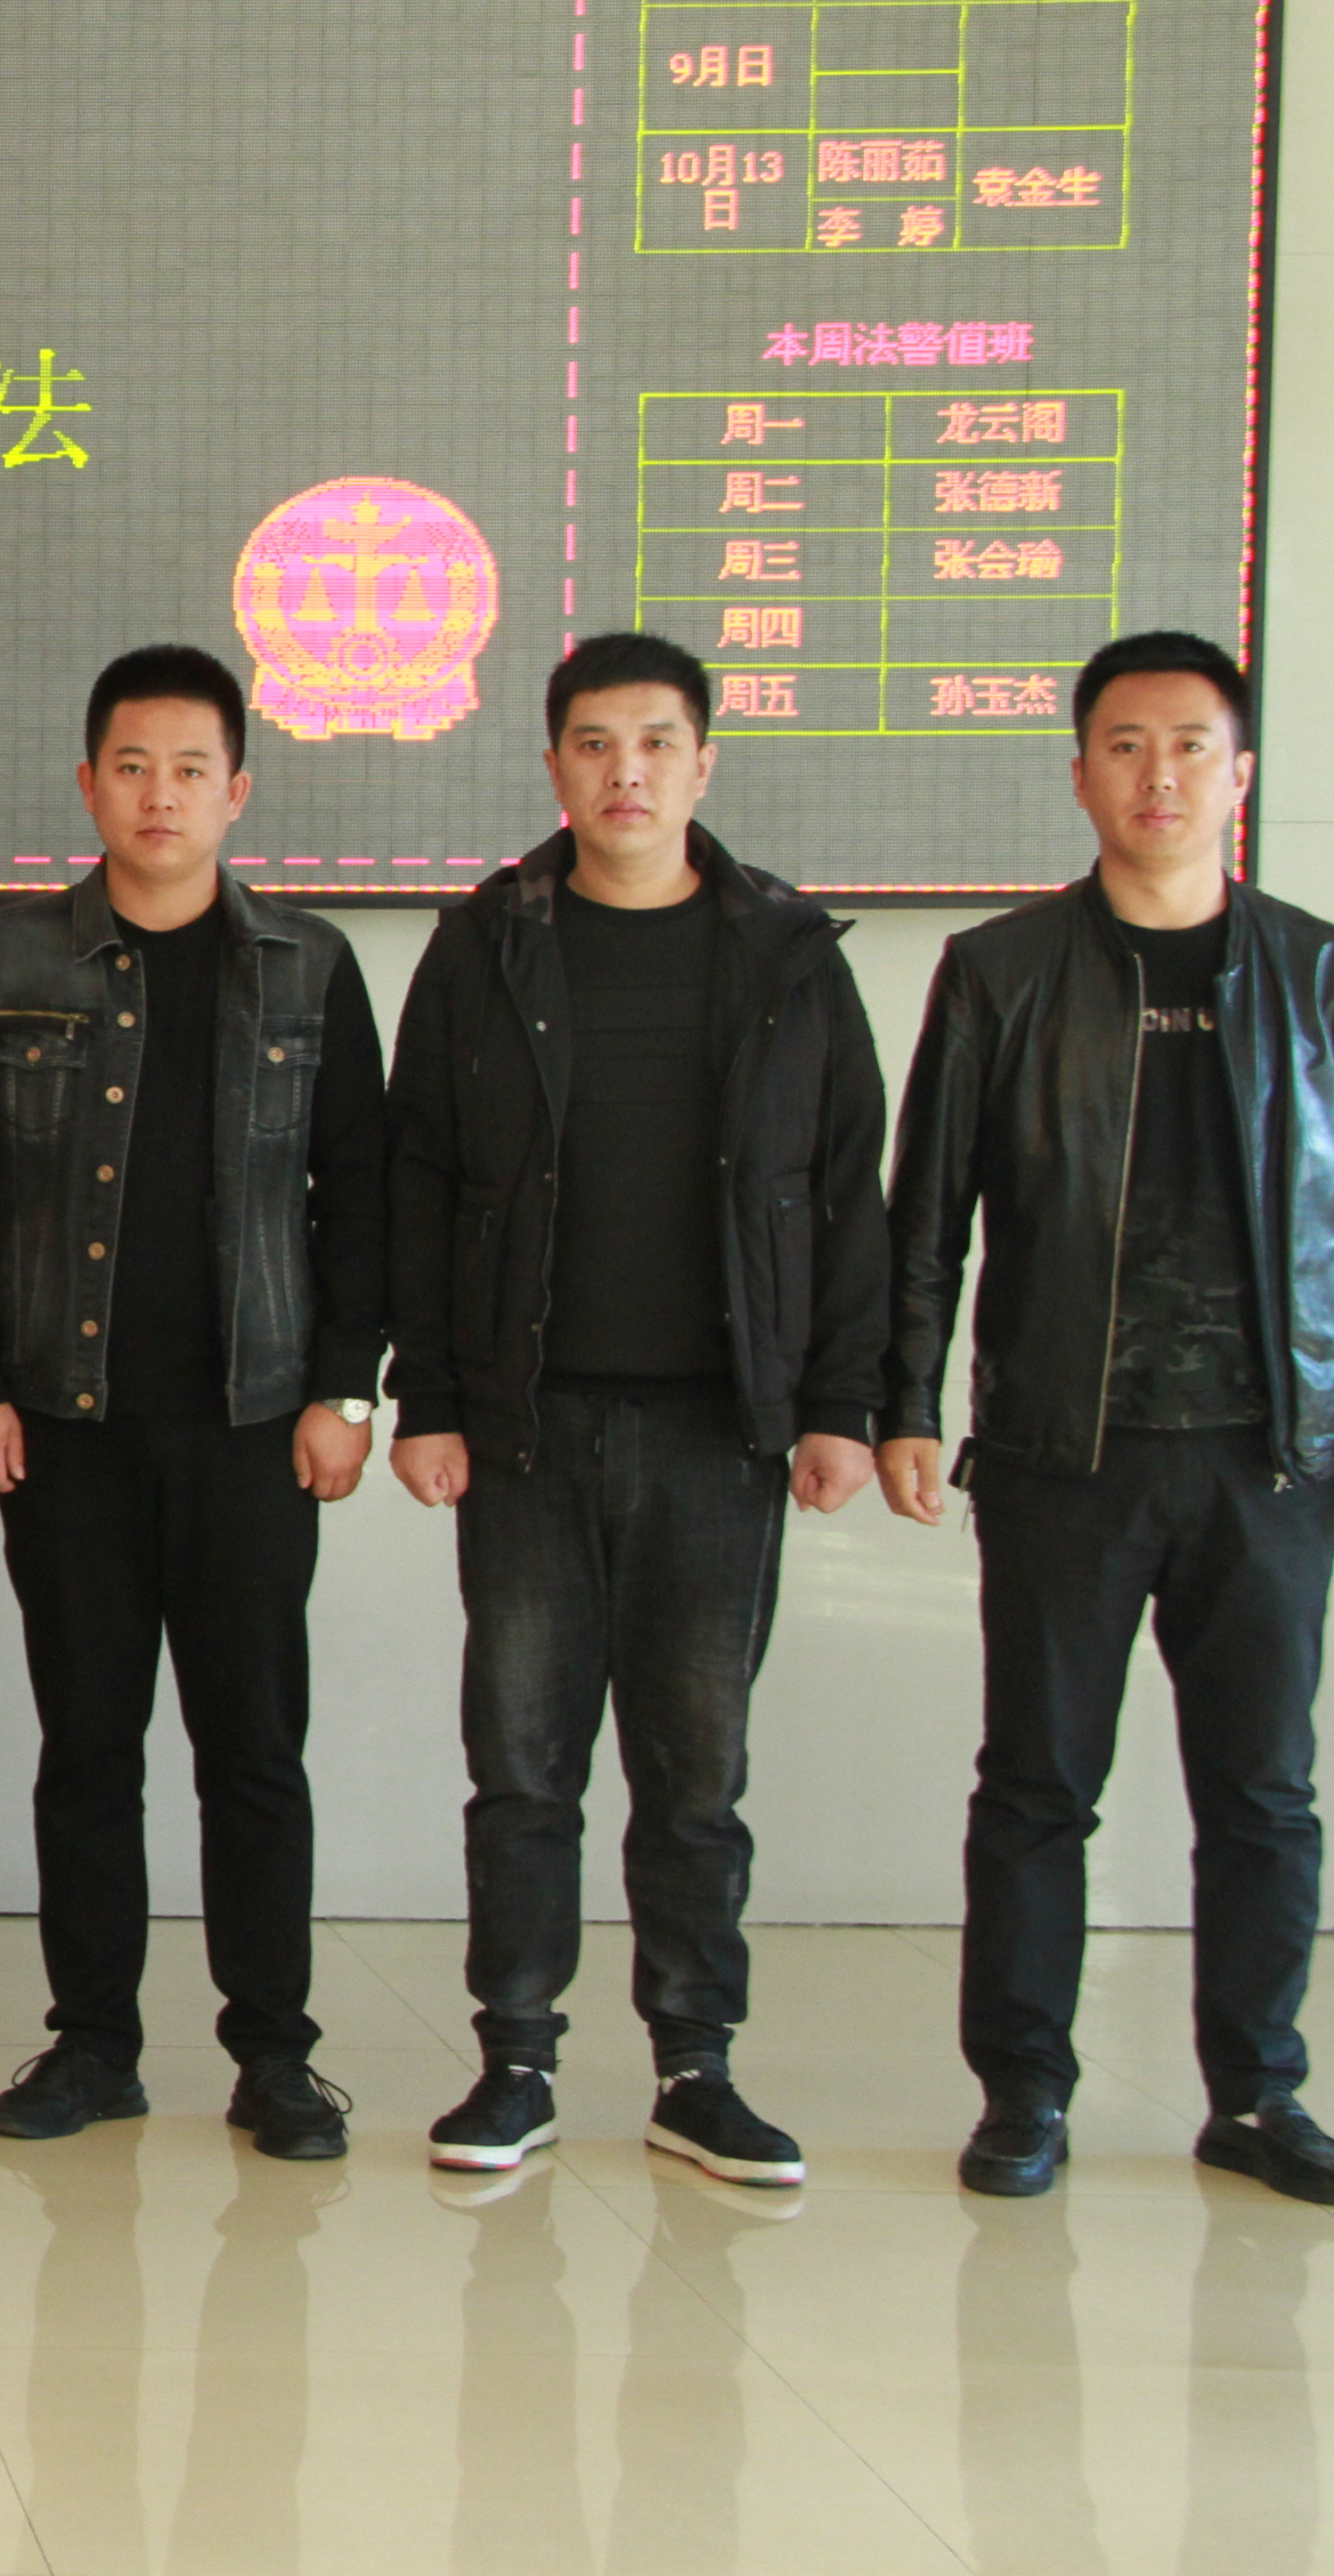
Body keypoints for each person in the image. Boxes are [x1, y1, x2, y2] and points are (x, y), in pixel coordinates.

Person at [881, 630, 1334, 2208]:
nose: (1160, 776)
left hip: (1269, 1455)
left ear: (1240, 773)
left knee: (1262, 1794)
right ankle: (1024, 2095)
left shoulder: (1329, 977)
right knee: (1036, 1789)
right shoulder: (1004, 971)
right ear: (1080, 774)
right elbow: (926, 1218)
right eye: (1127, 746)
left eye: (1191, 745)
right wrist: (901, 1401)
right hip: (1063, 1450)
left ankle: (1258, 2097)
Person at [384, 631, 889, 2190]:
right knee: (523, 1769)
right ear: (553, 765)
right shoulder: (486, 946)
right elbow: (420, 1179)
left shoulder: (789, 955)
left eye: (657, 742)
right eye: (596, 744)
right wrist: (427, 1396)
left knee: (696, 1778)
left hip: (722, 1432)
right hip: (526, 1426)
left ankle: (695, 2068)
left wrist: (840, 1403)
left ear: (703, 762)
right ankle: (517, 2061)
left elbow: (844, 1194)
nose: (627, 772)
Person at [0, 644, 388, 2159]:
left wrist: (346, 1391)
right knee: (88, 1749)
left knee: (253, 1750)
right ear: (88, 785)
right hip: (65, 1428)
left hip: (257, 1425)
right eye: (132, 766)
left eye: (191, 769)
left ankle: (275, 2056)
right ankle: (95, 2044)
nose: (161, 795)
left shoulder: (309, 965)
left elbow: (362, 1194)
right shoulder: (9, 958)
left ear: (237, 791)